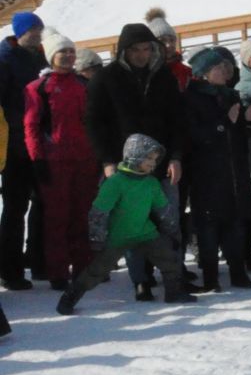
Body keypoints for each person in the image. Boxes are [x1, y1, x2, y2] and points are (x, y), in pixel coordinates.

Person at [84, 22, 187, 301]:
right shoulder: (105, 78)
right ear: (123, 51)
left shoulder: (164, 77)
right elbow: (94, 123)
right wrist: (107, 160)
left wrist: (176, 156)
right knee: (130, 222)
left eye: (146, 49)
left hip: (161, 161)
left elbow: (177, 120)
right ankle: (140, 280)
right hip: (124, 164)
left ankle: (173, 279)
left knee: (167, 219)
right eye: (136, 50)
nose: (142, 55)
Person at [55, 134, 197, 314]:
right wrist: (97, 239)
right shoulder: (115, 183)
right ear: (135, 156)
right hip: (118, 237)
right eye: (149, 159)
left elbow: (164, 210)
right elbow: (98, 213)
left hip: (146, 233)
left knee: (169, 259)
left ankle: (174, 292)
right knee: (96, 271)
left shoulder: (151, 183)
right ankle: (70, 297)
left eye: (154, 160)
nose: (153, 164)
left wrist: (172, 232)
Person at [23, 30, 96, 291]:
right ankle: (57, 271)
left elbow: (95, 122)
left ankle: (83, 268)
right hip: (55, 161)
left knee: (82, 215)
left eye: (71, 51)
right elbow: (30, 126)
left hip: (85, 159)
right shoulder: (38, 88)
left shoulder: (84, 85)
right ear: (51, 55)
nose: (67, 56)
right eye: (62, 52)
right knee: (57, 218)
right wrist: (37, 160)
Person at [182, 47, 251, 291]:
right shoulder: (191, 98)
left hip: (233, 169)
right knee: (208, 227)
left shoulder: (231, 95)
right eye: (218, 67)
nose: (225, 71)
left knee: (235, 222)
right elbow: (194, 136)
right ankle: (211, 278)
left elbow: (238, 133)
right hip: (206, 172)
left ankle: (238, 273)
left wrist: (247, 120)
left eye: (226, 66)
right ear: (203, 73)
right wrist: (226, 122)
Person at [0, 12, 47, 289]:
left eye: (40, 29)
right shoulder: (5, 59)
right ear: (20, 32)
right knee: (16, 206)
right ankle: (10, 268)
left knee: (42, 202)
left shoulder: (38, 55)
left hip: (39, 142)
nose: (38, 34)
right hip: (15, 145)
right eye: (33, 30)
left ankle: (37, 259)